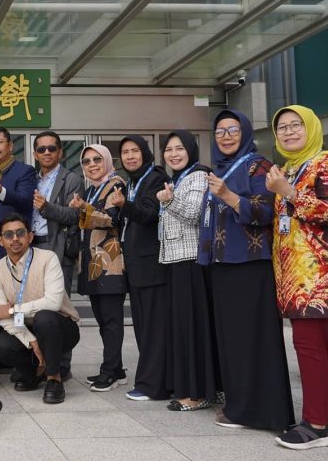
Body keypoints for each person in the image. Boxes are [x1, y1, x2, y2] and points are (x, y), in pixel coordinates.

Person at [267, 105, 328, 449]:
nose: (288, 132)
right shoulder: (289, 168)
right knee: (316, 344)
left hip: (319, 273)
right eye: (282, 127)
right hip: (294, 273)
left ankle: (315, 425)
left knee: (308, 345)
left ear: (312, 128)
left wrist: (287, 192)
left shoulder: (327, 164)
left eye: (295, 125)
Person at [200, 109, 294, 431]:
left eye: (233, 130)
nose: (226, 136)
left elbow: (267, 211)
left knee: (254, 339)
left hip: (250, 265)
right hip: (224, 264)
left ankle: (264, 411)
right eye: (220, 131)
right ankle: (239, 406)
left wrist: (227, 195)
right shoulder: (221, 169)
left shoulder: (258, 165)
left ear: (246, 133)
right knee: (233, 341)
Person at [0, 214, 81, 404]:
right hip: (27, 328)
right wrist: (31, 342)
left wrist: (14, 310)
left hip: (59, 326)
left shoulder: (48, 258)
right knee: (1, 347)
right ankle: (35, 372)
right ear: (0, 240)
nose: (15, 238)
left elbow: (53, 303)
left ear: (30, 237)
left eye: (20, 233)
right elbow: (0, 314)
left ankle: (54, 378)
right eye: (9, 234)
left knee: (44, 317)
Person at [156, 131, 216, 412]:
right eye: (169, 149)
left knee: (191, 327)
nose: (174, 154)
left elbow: (193, 214)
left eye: (180, 148)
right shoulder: (179, 179)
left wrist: (168, 201)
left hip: (191, 260)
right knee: (184, 326)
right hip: (177, 260)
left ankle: (197, 393)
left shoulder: (198, 176)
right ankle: (196, 387)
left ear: (191, 150)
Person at [111, 135, 170, 401]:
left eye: (135, 151)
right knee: (144, 327)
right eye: (125, 152)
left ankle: (152, 385)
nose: (130, 156)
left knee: (154, 329)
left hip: (151, 265)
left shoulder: (154, 178)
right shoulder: (133, 181)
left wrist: (124, 205)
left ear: (145, 153)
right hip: (137, 265)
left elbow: (149, 215)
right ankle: (154, 381)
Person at [69, 144, 128, 393]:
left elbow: (111, 219)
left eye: (96, 159)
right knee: (103, 319)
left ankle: (110, 371)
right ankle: (116, 369)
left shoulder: (116, 184)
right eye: (86, 162)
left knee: (111, 320)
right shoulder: (94, 189)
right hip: (94, 264)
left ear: (106, 160)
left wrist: (84, 208)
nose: (92, 165)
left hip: (109, 262)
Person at [30, 131, 85, 380]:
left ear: (60, 152)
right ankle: (41, 361)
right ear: (35, 154)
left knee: (59, 308)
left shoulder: (71, 179)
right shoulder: (32, 179)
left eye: (52, 148)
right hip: (32, 248)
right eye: (41, 149)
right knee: (36, 308)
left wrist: (46, 207)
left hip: (57, 247)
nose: (47, 153)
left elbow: (74, 216)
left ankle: (62, 365)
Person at [0, 127, 36, 262]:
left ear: (10, 146)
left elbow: (26, 201)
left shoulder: (25, 171)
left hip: (11, 242)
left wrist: (1, 192)